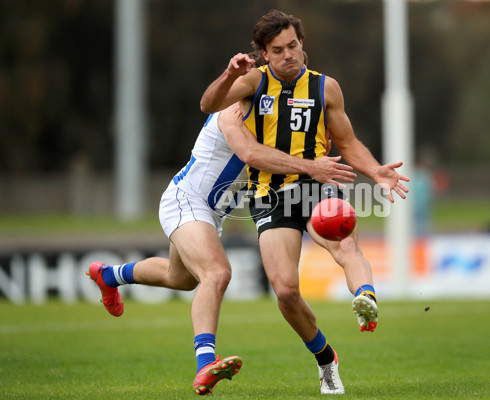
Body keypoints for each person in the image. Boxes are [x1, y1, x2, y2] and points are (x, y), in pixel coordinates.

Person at [200, 9, 409, 395]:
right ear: (264, 53)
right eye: (277, 50)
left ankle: (366, 298)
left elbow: (345, 143)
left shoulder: (325, 88)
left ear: (302, 44)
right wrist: (230, 73)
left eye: (293, 46)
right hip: (268, 194)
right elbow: (208, 105)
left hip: (318, 185)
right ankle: (326, 358)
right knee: (285, 291)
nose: (288, 55)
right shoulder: (252, 82)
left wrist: (375, 170)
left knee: (344, 243)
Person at [86, 105, 356, 396]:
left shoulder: (277, 120)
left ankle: (109, 275)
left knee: (179, 277)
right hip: (186, 199)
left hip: (212, 214)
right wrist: (309, 162)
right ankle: (205, 362)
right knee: (216, 273)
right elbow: (253, 154)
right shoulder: (235, 114)